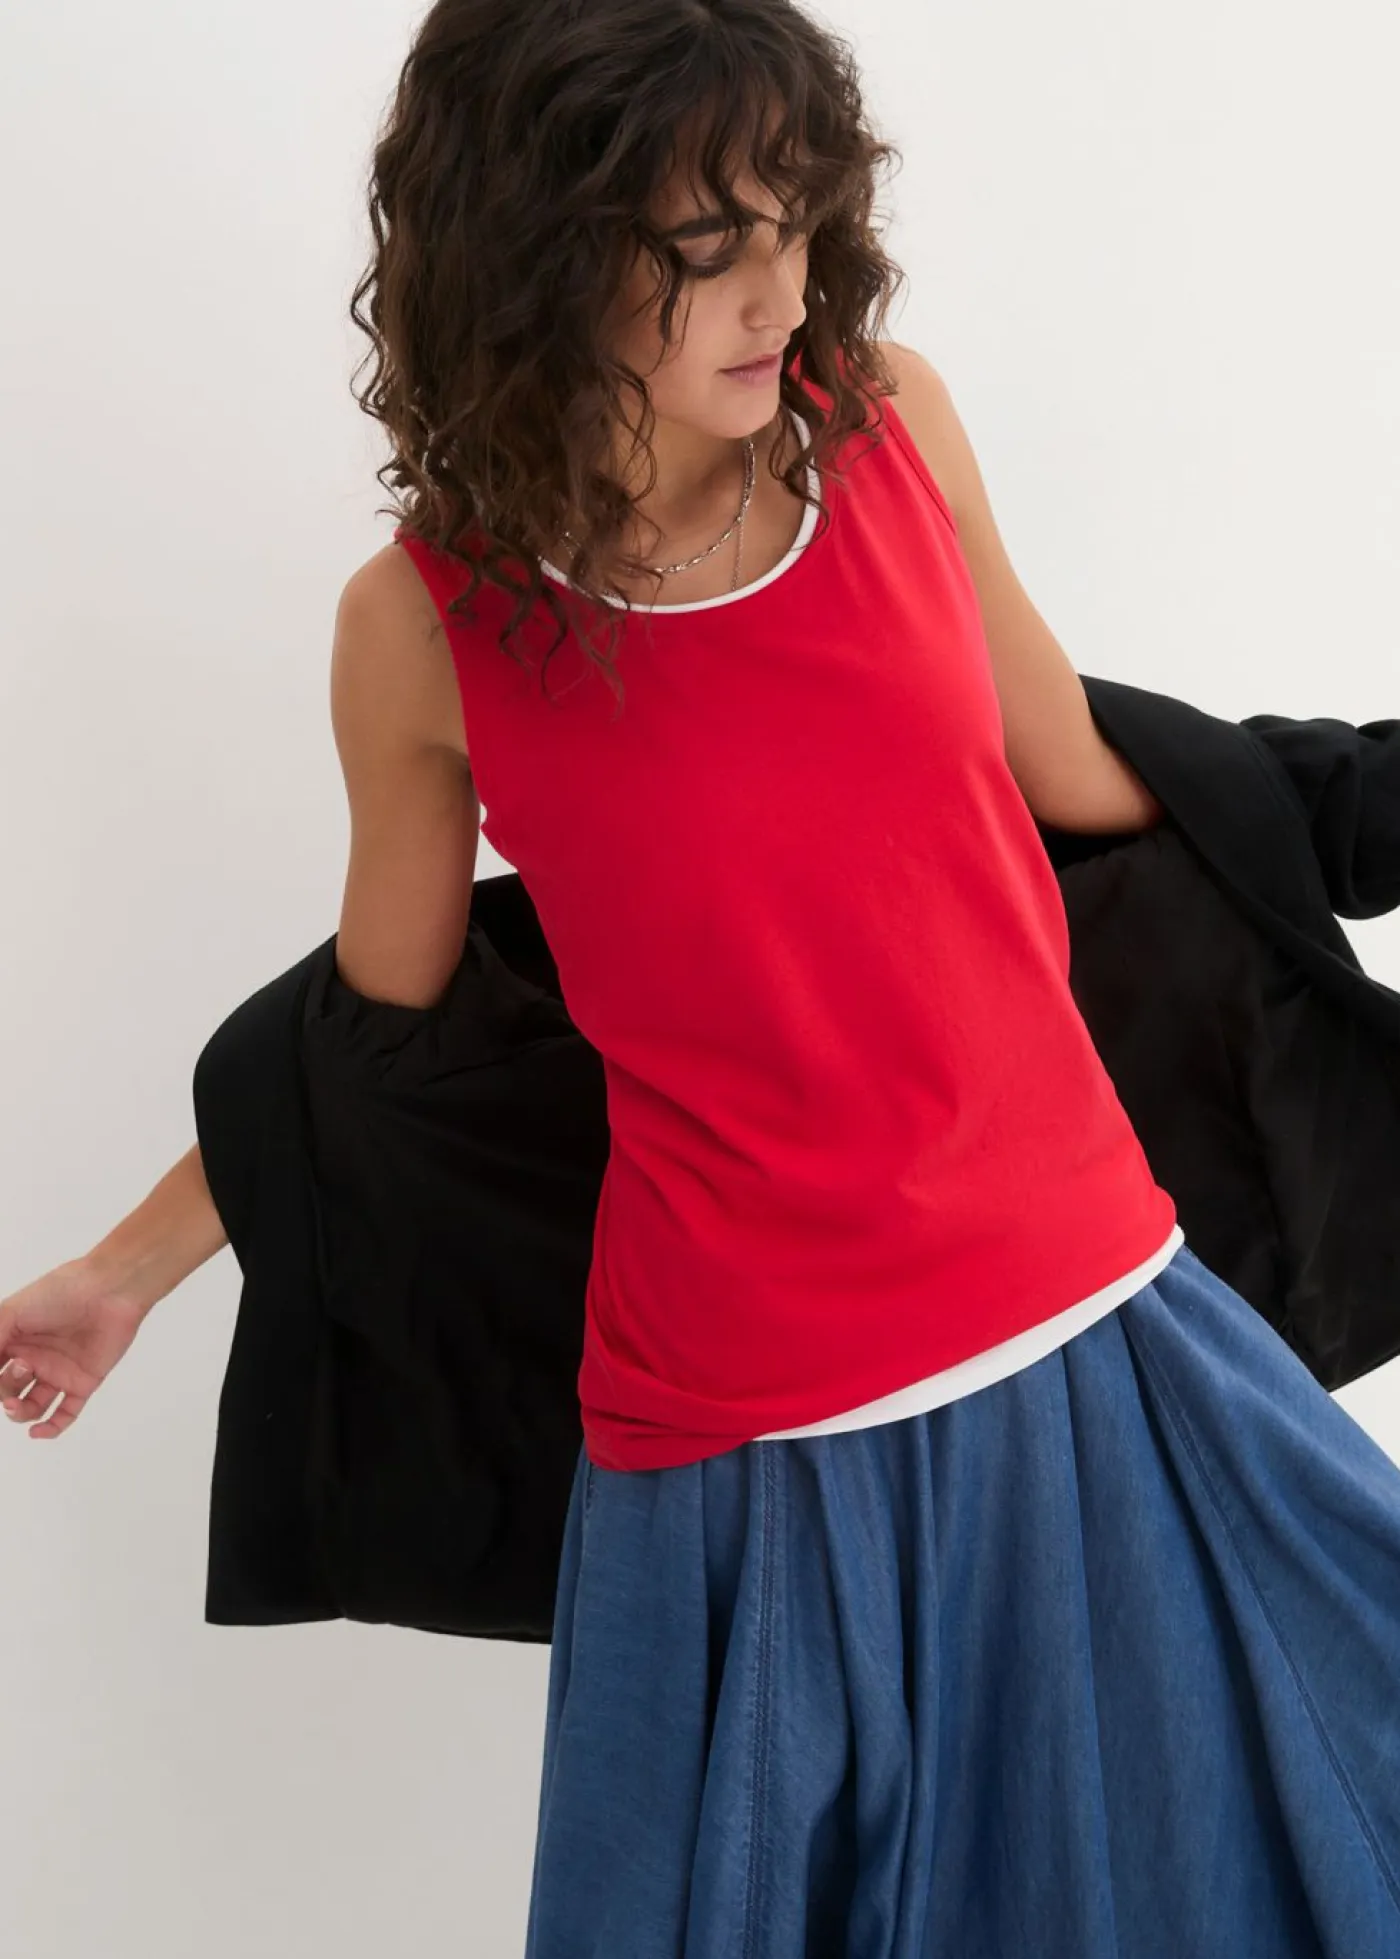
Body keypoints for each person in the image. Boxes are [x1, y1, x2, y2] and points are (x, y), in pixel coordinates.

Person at [5, 2, 1400, 1952]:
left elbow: (1088, 773)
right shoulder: (422, 631)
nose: (783, 291)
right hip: (746, 1455)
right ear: (536, 254)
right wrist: (119, 1273)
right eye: (707, 249)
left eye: (798, 223)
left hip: (1093, 1342)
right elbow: (372, 1052)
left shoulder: (892, 428)